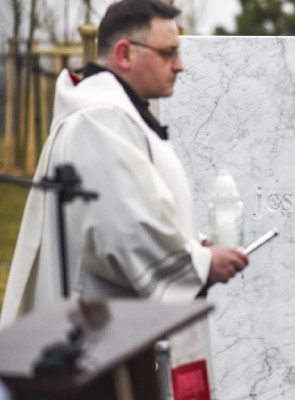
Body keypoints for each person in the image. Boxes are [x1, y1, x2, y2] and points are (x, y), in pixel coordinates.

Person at [0, 0, 248, 398]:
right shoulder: (100, 119)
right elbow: (120, 231)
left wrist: (191, 242)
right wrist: (200, 263)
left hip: (119, 329)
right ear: (125, 53)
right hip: (101, 341)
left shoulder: (114, 115)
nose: (180, 65)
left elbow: (135, 206)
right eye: (169, 53)